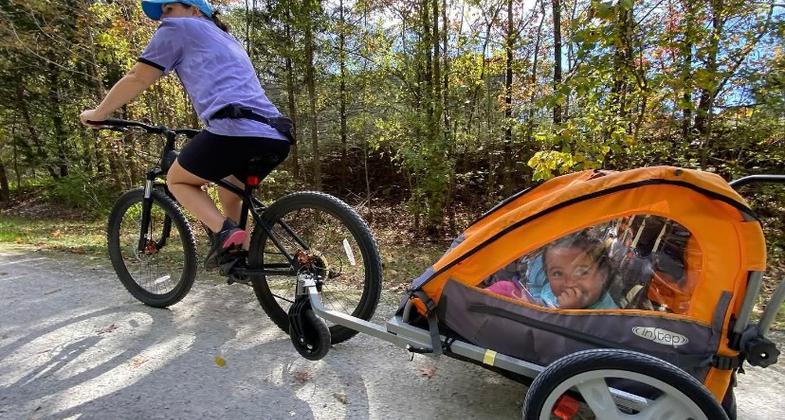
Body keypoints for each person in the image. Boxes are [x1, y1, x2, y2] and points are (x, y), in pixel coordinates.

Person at [79, 1, 292, 268]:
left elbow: (138, 78)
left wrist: (99, 113)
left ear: (194, 10)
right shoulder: (225, 37)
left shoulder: (178, 28)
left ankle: (224, 232)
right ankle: (244, 258)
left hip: (234, 130)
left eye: (169, 9)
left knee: (177, 180)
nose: (163, 19)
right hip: (275, 133)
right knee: (230, 195)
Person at [486, 234, 618, 309]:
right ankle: (470, 299)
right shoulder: (552, 291)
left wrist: (567, 312)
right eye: (557, 273)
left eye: (581, 272)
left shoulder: (606, 314)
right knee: (503, 287)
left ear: (603, 275)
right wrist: (534, 305)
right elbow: (546, 302)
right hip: (538, 307)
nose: (569, 282)